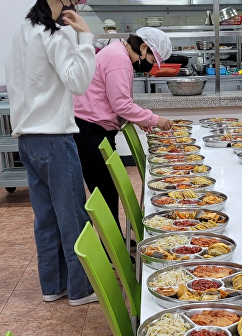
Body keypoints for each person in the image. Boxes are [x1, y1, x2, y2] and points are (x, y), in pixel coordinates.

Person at [4, 0, 98, 306]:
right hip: (55, 140)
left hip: (27, 139)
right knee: (72, 214)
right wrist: (86, 38)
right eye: (75, 0)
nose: (77, 7)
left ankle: (52, 286)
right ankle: (81, 290)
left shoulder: (22, 31)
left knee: (46, 218)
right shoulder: (54, 35)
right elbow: (78, 82)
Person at [73, 27, 173, 236]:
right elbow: (121, 104)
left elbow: (114, 100)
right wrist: (155, 119)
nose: (150, 67)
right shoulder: (119, 60)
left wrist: (137, 119)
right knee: (105, 193)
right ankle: (112, 248)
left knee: (108, 191)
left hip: (94, 127)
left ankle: (115, 242)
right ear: (143, 47)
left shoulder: (117, 53)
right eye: (152, 61)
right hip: (90, 131)